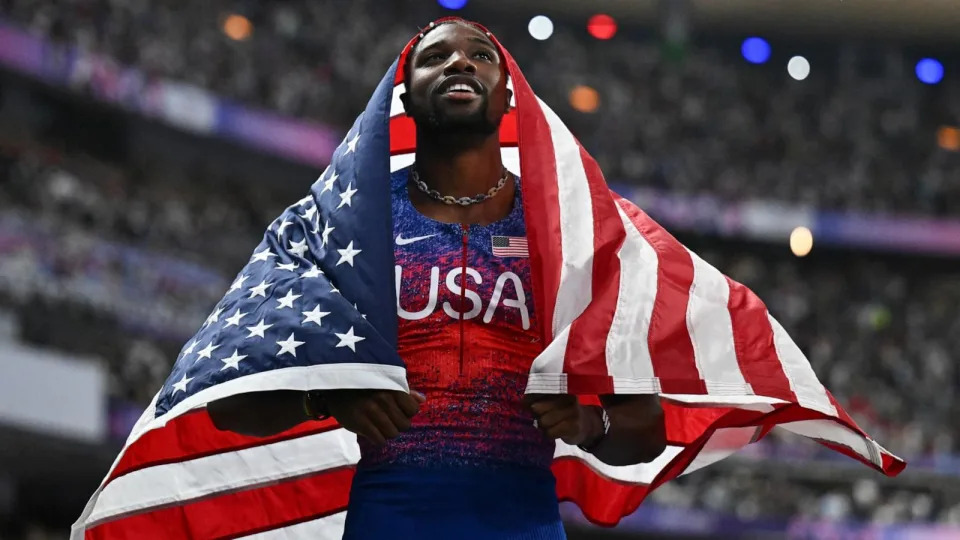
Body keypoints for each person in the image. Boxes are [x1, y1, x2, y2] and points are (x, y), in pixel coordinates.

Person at [207, 19, 666, 539]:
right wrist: (327, 400)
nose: (459, 63)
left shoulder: (567, 229)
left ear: (509, 96)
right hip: (390, 518)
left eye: (480, 55)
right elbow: (229, 404)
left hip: (523, 520)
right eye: (435, 57)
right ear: (403, 95)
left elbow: (647, 428)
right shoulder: (348, 224)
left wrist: (590, 425)